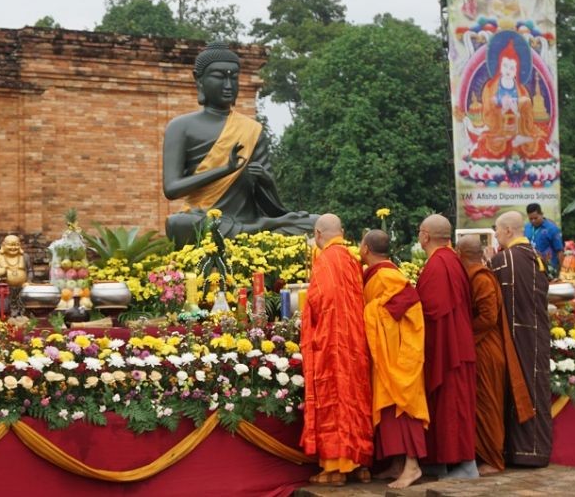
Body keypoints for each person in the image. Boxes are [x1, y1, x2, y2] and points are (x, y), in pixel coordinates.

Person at [161, 42, 317, 246]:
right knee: (178, 223)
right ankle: (254, 232)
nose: (228, 85)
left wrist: (265, 180)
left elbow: (269, 203)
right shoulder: (180, 126)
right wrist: (225, 169)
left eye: (233, 77)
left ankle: (255, 230)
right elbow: (171, 189)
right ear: (199, 80)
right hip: (205, 219)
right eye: (219, 77)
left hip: (247, 220)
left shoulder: (252, 130)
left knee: (316, 223)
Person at [300, 213, 373, 486]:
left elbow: (321, 300)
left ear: (318, 235)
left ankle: (336, 467)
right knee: (356, 400)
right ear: (341, 231)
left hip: (332, 343)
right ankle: (360, 465)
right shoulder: (352, 260)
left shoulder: (325, 261)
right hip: (355, 342)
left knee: (335, 401)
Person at [456, 235, 534, 474]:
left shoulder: (481, 278)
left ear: (460, 253)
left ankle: (493, 459)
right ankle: (482, 454)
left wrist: (464, 332)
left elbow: (488, 317)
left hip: (487, 349)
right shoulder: (474, 275)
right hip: (480, 347)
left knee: (488, 403)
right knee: (480, 403)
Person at [359, 230, 428, 489]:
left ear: (365, 249)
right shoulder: (380, 275)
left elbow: (409, 307)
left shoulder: (389, 275)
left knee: (403, 408)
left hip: (399, 356)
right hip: (385, 353)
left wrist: (368, 311)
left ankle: (412, 466)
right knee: (389, 411)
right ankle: (398, 464)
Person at [414, 214, 478, 479]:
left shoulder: (439, 265)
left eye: (419, 232)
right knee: (446, 406)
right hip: (457, 343)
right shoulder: (451, 260)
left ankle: (465, 465)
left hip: (448, 348)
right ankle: (441, 461)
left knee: (454, 406)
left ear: (426, 236)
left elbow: (431, 310)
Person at [489, 211, 551, 467]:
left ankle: (521, 451)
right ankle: (538, 450)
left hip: (515, 335)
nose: (495, 236)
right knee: (537, 386)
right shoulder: (537, 257)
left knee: (519, 386)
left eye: (497, 231)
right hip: (538, 332)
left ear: (507, 232)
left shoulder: (504, 260)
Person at [0, 235, 33, 319]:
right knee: (2, 304)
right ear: (3, 245)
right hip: (4, 288)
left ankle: (21, 315)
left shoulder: (24, 257)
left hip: (21, 288)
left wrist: (29, 282)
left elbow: (30, 271)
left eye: (16, 245)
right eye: (10, 245)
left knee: (23, 305)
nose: (13, 247)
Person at [524, 203, 563, 275]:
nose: (533, 221)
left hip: (549, 269)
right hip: (531, 268)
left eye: (536, 218)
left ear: (541, 214)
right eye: (530, 219)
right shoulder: (526, 228)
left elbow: (559, 251)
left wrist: (561, 271)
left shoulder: (552, 229)